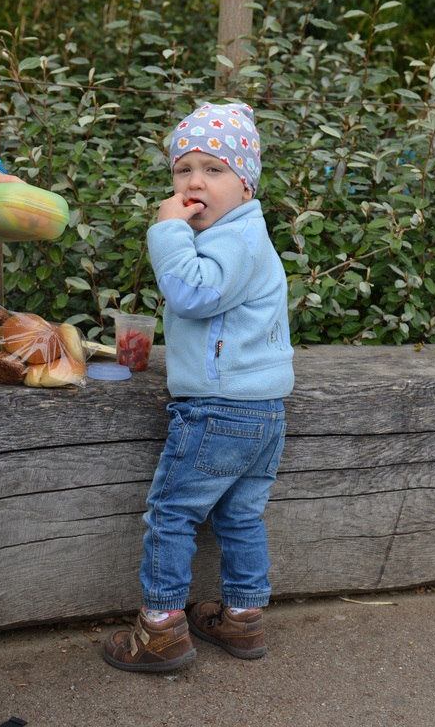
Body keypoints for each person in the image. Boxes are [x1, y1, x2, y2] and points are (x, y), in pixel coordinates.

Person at [103, 101, 295, 673]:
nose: (194, 183)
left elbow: (193, 294)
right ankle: (242, 617)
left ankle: (160, 627)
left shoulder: (237, 238)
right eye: (183, 169)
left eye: (214, 169)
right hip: (260, 411)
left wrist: (166, 230)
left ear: (246, 184)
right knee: (239, 517)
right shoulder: (240, 235)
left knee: (172, 514)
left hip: (219, 410)